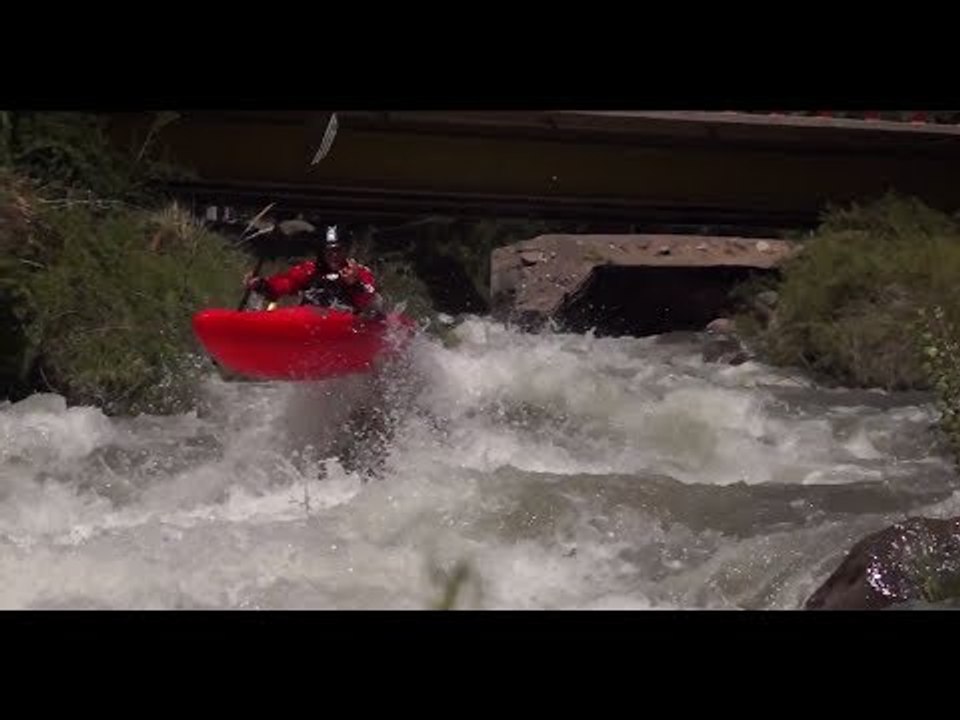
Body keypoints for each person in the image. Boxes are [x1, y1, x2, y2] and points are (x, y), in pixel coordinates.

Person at [244, 225, 385, 318]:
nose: (333, 255)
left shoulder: (359, 272)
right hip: (312, 324)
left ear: (346, 250)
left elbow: (373, 304)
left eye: (338, 250)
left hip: (346, 327)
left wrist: (354, 284)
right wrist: (262, 285)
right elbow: (285, 283)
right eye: (329, 250)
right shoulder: (309, 270)